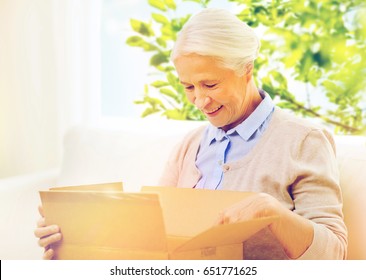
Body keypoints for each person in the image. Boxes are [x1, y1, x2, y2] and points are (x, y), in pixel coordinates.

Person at [35, 8, 347, 260]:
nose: (199, 100)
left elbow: (334, 253)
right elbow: (149, 240)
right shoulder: (190, 145)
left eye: (210, 84)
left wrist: (273, 212)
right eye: (188, 87)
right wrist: (74, 237)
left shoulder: (304, 141)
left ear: (246, 69)